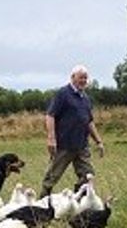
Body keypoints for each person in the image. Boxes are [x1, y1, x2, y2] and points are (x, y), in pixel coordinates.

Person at [41, 64, 105, 196]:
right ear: (72, 77)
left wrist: (99, 141)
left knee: (88, 176)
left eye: (85, 78)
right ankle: (41, 206)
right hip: (64, 144)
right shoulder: (63, 94)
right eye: (81, 77)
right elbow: (50, 115)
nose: (83, 81)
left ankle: (77, 199)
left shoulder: (85, 98)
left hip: (81, 145)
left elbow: (89, 121)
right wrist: (51, 138)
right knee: (51, 177)